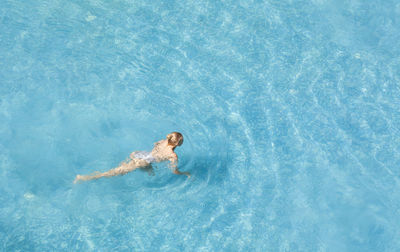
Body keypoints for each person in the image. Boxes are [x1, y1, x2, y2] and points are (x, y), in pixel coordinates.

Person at [74, 132, 189, 183]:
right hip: (143, 162)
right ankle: (83, 178)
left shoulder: (163, 141)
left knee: (150, 171)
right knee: (113, 172)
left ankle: (149, 170)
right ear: (177, 144)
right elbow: (174, 170)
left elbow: (155, 145)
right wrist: (185, 173)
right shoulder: (173, 155)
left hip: (140, 154)